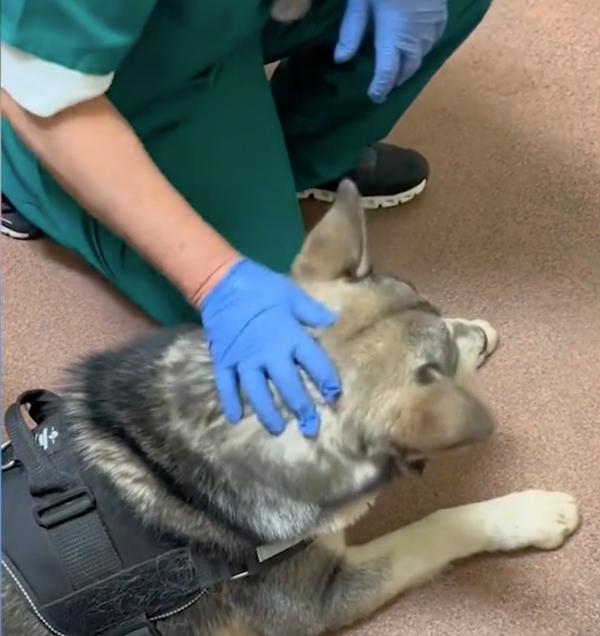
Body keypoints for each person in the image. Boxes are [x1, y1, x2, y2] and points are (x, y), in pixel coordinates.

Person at [1, 0, 490, 437]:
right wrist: (216, 280)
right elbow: (35, 85)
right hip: (87, 64)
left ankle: (299, 156)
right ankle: (20, 171)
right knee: (299, 371)